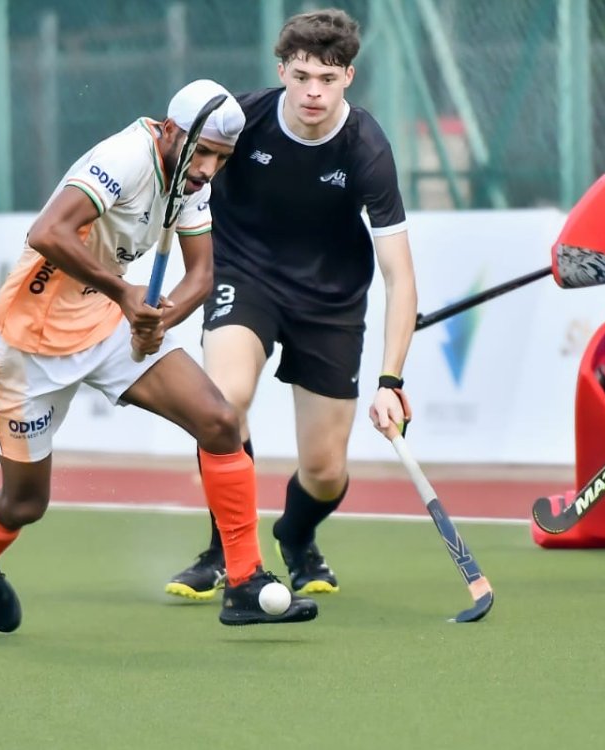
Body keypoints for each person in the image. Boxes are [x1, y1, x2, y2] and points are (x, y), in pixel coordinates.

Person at [0, 79, 318, 632]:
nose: (209, 170)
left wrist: (162, 318)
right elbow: (46, 231)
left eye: (222, 159)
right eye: (203, 153)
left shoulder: (192, 179)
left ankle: (244, 581)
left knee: (219, 421)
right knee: (24, 504)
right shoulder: (124, 159)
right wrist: (126, 294)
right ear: (171, 131)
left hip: (107, 323)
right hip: (30, 343)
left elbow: (201, 275)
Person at [165, 8, 417, 599]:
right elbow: (180, 172)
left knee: (326, 471)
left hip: (331, 300)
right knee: (223, 405)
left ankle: (296, 536)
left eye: (327, 79)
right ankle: (226, 550)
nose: (313, 92)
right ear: (281, 71)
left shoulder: (366, 148)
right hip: (244, 274)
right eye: (301, 76)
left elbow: (400, 276)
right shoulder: (242, 121)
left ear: (349, 77)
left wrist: (390, 380)